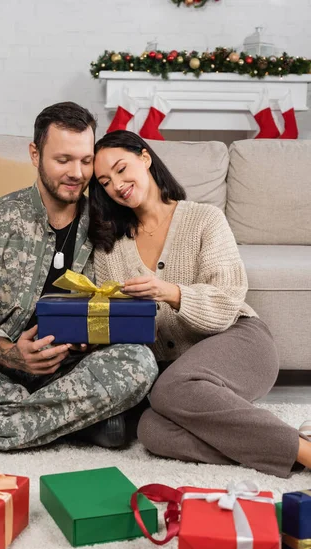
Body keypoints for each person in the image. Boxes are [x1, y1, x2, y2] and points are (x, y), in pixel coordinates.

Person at [0, 103, 158, 460]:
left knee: (139, 363)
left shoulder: (110, 224)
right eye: (63, 160)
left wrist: (91, 339)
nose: (77, 173)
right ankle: (82, 419)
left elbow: (119, 310)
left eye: (86, 161)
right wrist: (12, 354)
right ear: (34, 154)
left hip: (72, 372)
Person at [89, 129, 311, 478]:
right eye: (104, 181)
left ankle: (306, 453)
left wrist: (169, 292)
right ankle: (286, 448)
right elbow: (117, 323)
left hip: (240, 343)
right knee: (151, 430)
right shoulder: (109, 247)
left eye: (121, 169)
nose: (116, 184)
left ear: (144, 158)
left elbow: (227, 300)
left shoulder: (204, 218)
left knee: (169, 390)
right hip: (177, 374)